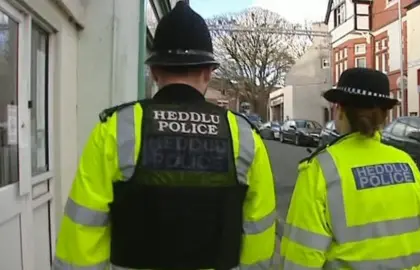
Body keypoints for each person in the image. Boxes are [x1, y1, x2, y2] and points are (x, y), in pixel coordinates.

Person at [53, 1, 276, 269]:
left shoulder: (115, 129)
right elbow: (258, 237)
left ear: (155, 72)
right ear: (207, 73)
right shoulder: (245, 138)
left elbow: (83, 233)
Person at [280, 68, 420, 269]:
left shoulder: (321, 169)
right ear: (384, 115)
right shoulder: (407, 164)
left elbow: (301, 255)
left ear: (339, 110)